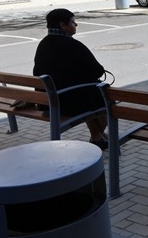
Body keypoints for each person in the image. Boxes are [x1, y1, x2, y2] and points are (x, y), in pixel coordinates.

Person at [33, 8, 108, 149]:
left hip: (46, 100)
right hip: (67, 102)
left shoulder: (43, 44)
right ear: (63, 25)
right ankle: (97, 136)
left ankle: (97, 136)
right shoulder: (73, 45)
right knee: (104, 97)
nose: (76, 25)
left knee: (88, 93)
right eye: (73, 22)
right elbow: (97, 70)